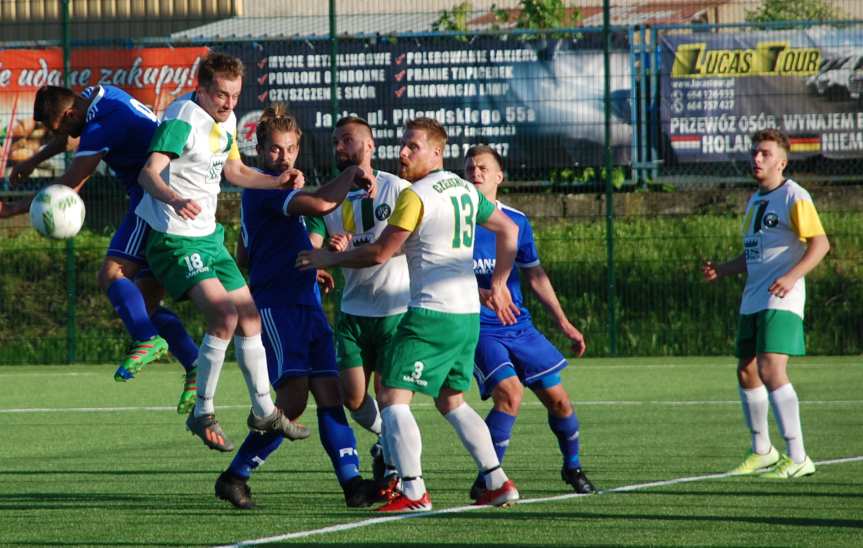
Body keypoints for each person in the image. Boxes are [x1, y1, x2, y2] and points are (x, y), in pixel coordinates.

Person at [297, 117, 522, 512]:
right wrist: (499, 283)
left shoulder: (415, 195)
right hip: (467, 314)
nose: (403, 152)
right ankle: (497, 480)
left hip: (431, 314)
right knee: (452, 400)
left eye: (412, 146)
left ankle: (414, 490)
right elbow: (508, 229)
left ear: (437, 152)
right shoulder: (464, 188)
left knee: (391, 397)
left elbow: (379, 253)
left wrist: (329, 258)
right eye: (402, 144)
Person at [135, 52, 310, 452]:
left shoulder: (226, 121)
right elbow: (149, 172)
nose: (229, 104)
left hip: (208, 238)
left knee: (250, 319)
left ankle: (264, 410)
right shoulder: (183, 117)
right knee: (225, 316)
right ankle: (203, 411)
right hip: (175, 238)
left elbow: (234, 171)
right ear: (202, 87)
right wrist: (175, 198)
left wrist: (278, 181)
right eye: (220, 95)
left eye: (234, 95)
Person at [214, 105, 380, 509]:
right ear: (257, 149)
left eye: (289, 149)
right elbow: (324, 204)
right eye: (273, 150)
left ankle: (353, 483)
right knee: (291, 402)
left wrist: (314, 262)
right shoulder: (262, 189)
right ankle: (235, 476)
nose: (283, 157)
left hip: (306, 303)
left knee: (330, 392)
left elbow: (247, 251)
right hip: (276, 307)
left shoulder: (282, 189)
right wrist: (354, 170)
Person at [0, 84, 200, 413]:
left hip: (153, 200)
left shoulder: (102, 123)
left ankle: (147, 341)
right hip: (172, 196)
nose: (59, 133)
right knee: (145, 302)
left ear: (70, 114)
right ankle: (195, 366)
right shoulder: (98, 97)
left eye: (58, 125)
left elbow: (70, 186)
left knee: (111, 274)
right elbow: (68, 138)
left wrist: (10, 210)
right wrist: (34, 160)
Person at [463, 144, 597, 497]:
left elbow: (535, 276)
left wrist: (564, 323)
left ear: (498, 176)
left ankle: (573, 468)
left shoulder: (516, 221)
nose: (475, 173)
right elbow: (440, 271)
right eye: (470, 169)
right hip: (479, 326)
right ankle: (488, 480)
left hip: (518, 326)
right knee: (510, 394)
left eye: (482, 168)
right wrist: (482, 294)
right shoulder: (456, 221)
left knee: (561, 401)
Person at [702, 128, 830, 479]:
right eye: (755, 153)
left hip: (782, 297)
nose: (757, 159)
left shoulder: (794, 196)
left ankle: (799, 456)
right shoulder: (756, 200)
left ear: (782, 162)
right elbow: (754, 255)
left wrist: (792, 277)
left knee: (772, 369)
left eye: (765, 154)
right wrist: (724, 270)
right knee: (746, 370)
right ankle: (762, 450)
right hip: (754, 296)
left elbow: (820, 244)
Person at [305, 116, 410, 484]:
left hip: (394, 310)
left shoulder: (397, 189)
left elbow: (397, 247)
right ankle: (387, 440)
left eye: (347, 140)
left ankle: (398, 467)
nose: (339, 148)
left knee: (388, 394)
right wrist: (321, 260)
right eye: (336, 142)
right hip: (352, 312)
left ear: (370, 145)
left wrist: (336, 258)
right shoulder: (327, 198)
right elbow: (313, 248)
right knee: (353, 398)